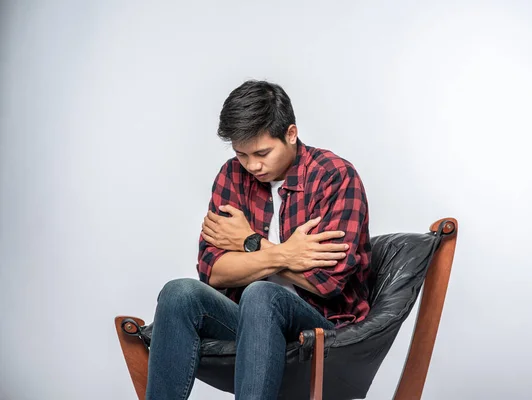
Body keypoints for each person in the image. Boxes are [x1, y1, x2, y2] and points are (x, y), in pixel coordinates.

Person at [146, 80, 372, 400]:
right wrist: (286, 254)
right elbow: (213, 272)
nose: (252, 165)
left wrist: (249, 243)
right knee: (179, 292)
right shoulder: (232, 175)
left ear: (291, 134)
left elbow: (327, 281)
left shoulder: (334, 176)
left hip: (322, 328)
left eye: (262, 152)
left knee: (262, 293)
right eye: (242, 154)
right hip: (250, 326)